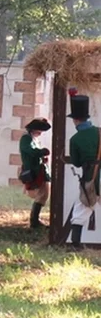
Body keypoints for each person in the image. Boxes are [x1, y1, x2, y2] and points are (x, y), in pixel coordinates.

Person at [67, 89, 100, 250]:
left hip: (91, 178)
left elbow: (76, 163)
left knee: (82, 209)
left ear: (75, 120)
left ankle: (76, 244)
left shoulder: (75, 139)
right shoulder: (100, 132)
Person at [19, 118, 51, 230]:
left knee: (43, 194)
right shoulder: (26, 138)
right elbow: (30, 151)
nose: (40, 133)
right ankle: (34, 221)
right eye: (39, 130)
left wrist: (42, 156)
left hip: (40, 169)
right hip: (33, 170)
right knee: (41, 195)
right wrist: (40, 152)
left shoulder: (33, 138)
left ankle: (35, 220)